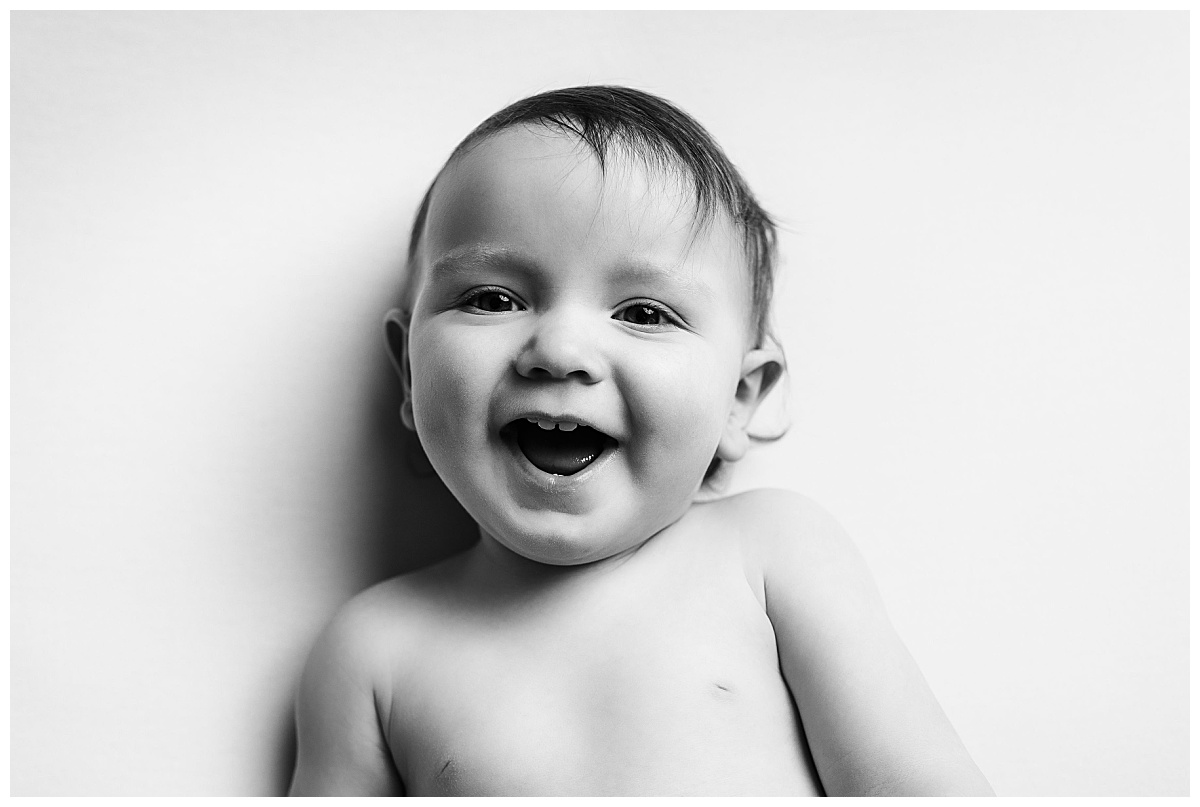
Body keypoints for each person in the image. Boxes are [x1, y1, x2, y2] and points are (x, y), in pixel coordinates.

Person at [288, 85, 993, 797]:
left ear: (740, 398)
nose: (559, 349)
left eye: (645, 312)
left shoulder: (772, 553)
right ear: (408, 369)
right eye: (493, 298)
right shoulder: (372, 654)